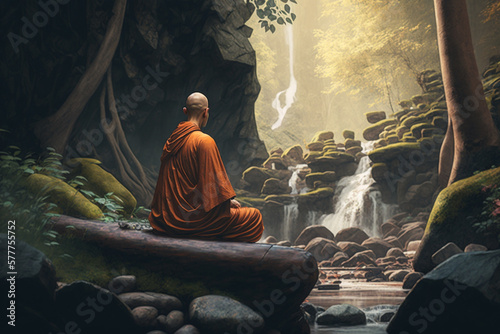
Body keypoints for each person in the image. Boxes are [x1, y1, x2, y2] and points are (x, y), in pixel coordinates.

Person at [149, 92, 264, 242]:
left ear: (185, 111)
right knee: (254, 217)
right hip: (192, 221)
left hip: (166, 219)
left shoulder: (171, 140)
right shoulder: (204, 141)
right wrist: (226, 203)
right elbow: (213, 186)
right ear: (206, 112)